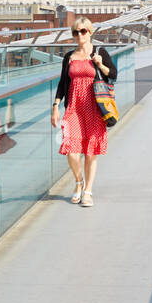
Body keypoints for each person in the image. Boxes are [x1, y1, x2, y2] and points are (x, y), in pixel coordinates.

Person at [52, 18, 116, 207]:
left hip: (94, 108)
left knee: (90, 152)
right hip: (73, 108)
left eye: (83, 31)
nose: (79, 35)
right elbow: (63, 83)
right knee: (71, 149)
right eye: (75, 32)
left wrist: (100, 64)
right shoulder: (69, 57)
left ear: (90, 32)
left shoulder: (100, 52)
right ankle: (78, 181)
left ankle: (87, 191)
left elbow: (112, 74)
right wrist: (55, 106)